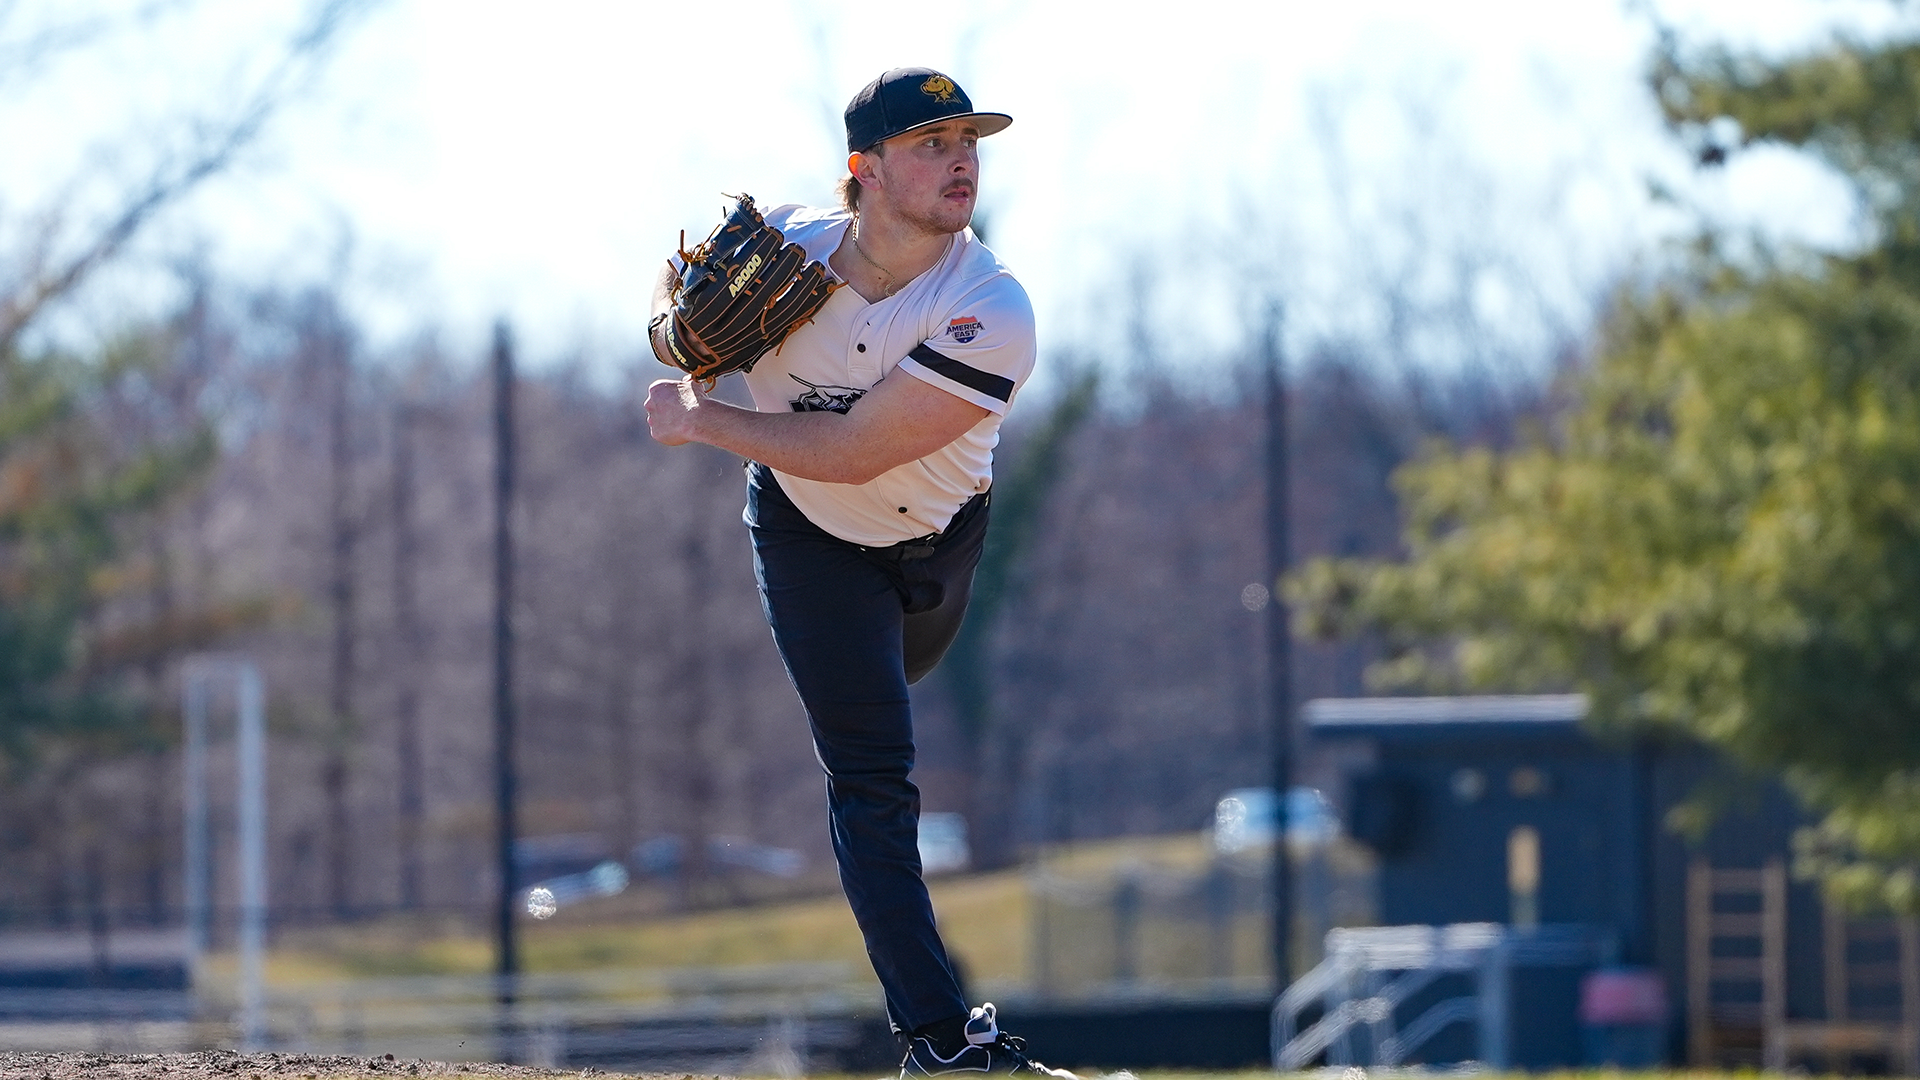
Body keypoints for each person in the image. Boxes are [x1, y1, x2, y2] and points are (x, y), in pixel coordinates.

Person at [643, 67, 1076, 1079]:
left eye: (968, 142)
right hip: (811, 543)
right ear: (865, 168)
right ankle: (941, 1044)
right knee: (873, 777)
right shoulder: (784, 249)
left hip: (937, 549)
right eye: (931, 143)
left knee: (896, 700)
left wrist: (705, 421)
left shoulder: (990, 306)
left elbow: (857, 452)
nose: (961, 161)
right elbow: (668, 314)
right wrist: (676, 326)